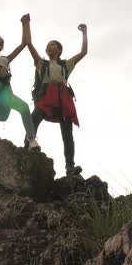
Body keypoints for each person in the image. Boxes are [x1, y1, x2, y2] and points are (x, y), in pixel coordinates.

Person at [23, 14, 88, 176]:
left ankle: (70, 167)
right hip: (47, 96)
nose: (49, 47)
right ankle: (27, 148)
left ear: (59, 50)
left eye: (52, 45)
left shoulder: (65, 64)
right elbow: (29, 44)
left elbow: (83, 52)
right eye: (47, 46)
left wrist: (84, 33)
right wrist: (26, 24)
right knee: (34, 118)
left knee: (67, 134)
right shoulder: (42, 63)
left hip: (63, 98)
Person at [0, 12, 40, 156]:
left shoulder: (6, 59)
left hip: (3, 90)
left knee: (23, 107)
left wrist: (25, 24)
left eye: (1, 41)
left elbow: (24, 43)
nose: (0, 42)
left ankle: (32, 139)